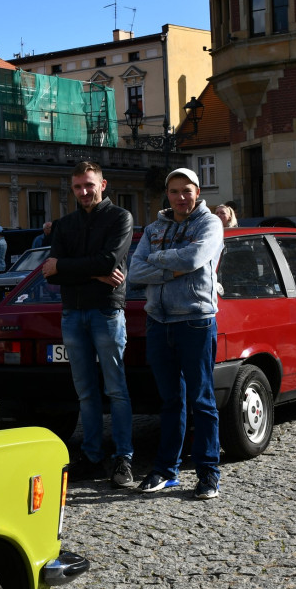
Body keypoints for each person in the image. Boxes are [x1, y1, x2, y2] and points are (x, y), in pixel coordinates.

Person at [128, 167, 224, 500]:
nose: (181, 197)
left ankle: (208, 472)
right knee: (170, 401)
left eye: (187, 190)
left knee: (202, 400)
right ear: (166, 195)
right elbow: (134, 271)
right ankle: (166, 471)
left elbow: (198, 257)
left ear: (197, 192)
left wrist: (158, 261)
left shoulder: (210, 224)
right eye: (174, 191)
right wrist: (174, 266)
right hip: (158, 320)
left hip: (196, 319)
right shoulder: (154, 228)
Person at [41, 161, 134, 485]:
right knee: (86, 393)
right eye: (78, 186)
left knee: (116, 389)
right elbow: (50, 270)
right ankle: (93, 456)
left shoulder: (120, 218)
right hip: (73, 313)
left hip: (106, 312)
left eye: (89, 185)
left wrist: (68, 267)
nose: (84, 191)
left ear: (103, 184)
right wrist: (94, 272)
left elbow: (110, 260)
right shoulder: (65, 224)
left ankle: (124, 457)